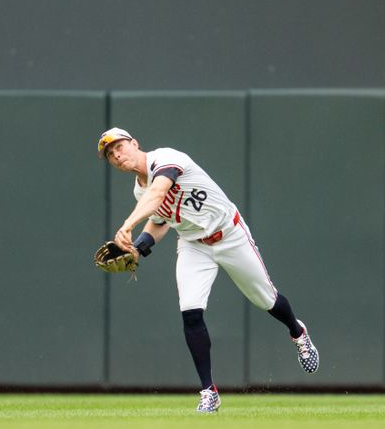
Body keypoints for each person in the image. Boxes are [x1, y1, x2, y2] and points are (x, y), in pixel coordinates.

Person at [97, 127, 319, 413]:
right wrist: (139, 248)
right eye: (111, 154)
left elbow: (159, 191)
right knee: (190, 312)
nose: (117, 155)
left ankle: (298, 331)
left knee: (265, 299)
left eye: (120, 147)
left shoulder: (165, 157)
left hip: (229, 234)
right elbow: (161, 222)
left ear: (135, 143)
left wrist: (127, 225)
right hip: (193, 245)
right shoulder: (139, 190)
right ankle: (209, 391)